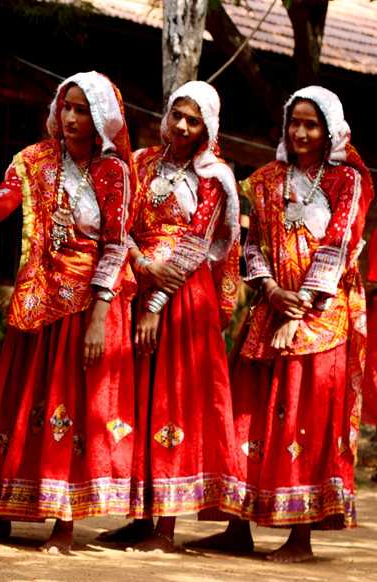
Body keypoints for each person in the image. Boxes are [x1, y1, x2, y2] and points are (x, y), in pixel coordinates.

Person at [0, 72, 136, 554]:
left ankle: (64, 524)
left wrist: (100, 315)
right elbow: (3, 201)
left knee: (73, 411)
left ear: (101, 118)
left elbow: (116, 247)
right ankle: (5, 509)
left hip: (87, 306)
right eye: (67, 108)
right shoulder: (33, 160)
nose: (72, 118)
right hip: (37, 300)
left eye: (83, 110)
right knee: (18, 406)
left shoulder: (114, 171)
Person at [189, 86, 373, 562]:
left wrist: (304, 305)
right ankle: (237, 526)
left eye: (311, 124)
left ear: (329, 128)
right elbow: (251, 245)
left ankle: (300, 537)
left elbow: (340, 244)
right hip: (271, 308)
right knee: (248, 417)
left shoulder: (347, 180)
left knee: (304, 419)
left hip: (323, 315)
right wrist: (270, 290)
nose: (301, 132)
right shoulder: (266, 179)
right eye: (295, 123)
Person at [107, 80, 246, 552]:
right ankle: (140, 517)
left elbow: (195, 245)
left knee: (171, 400)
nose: (183, 127)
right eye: (177, 116)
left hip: (183, 301)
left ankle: (165, 527)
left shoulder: (215, 176)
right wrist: (140, 267)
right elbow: (119, 225)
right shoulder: (141, 163)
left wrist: (153, 304)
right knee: (139, 401)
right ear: (166, 115)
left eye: (194, 120)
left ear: (208, 127)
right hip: (139, 283)